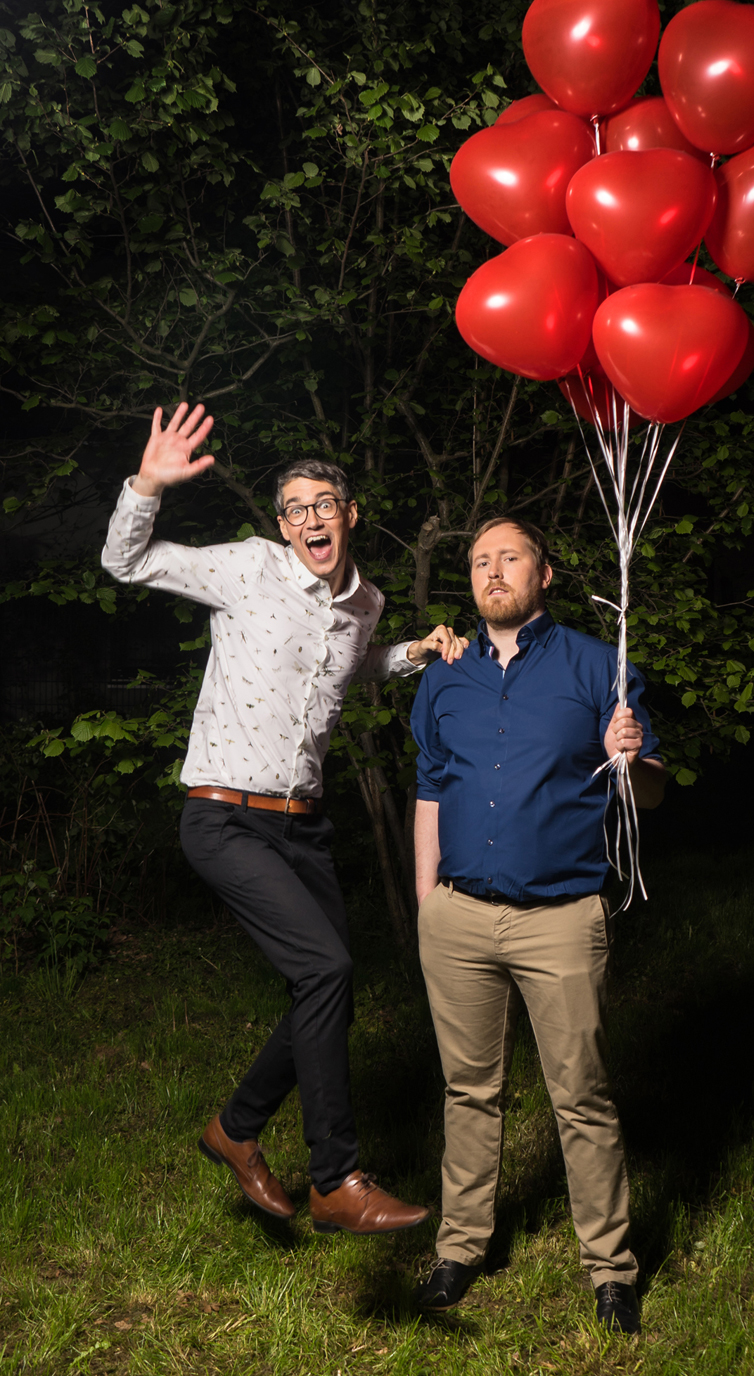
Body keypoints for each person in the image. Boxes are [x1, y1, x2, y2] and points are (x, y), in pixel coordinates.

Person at [102, 400, 467, 1235]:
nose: (309, 519)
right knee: (327, 971)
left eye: (323, 505)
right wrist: (147, 484)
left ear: (349, 515)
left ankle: (235, 1130)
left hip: (304, 825)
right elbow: (126, 561)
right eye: (295, 509)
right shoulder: (248, 568)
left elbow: (351, 666)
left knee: (328, 988)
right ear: (281, 524)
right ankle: (336, 1179)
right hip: (225, 816)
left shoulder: (366, 602)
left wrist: (413, 654)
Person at [411, 515, 667, 1332]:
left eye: (510, 557)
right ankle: (460, 1248)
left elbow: (652, 790)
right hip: (457, 917)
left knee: (581, 1096)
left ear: (544, 573)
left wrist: (632, 757)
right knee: (468, 1090)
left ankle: (611, 1270)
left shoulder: (598, 666)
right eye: (480, 561)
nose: (493, 571)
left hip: (559, 917)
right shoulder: (445, 676)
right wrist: (427, 903)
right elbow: (430, 786)